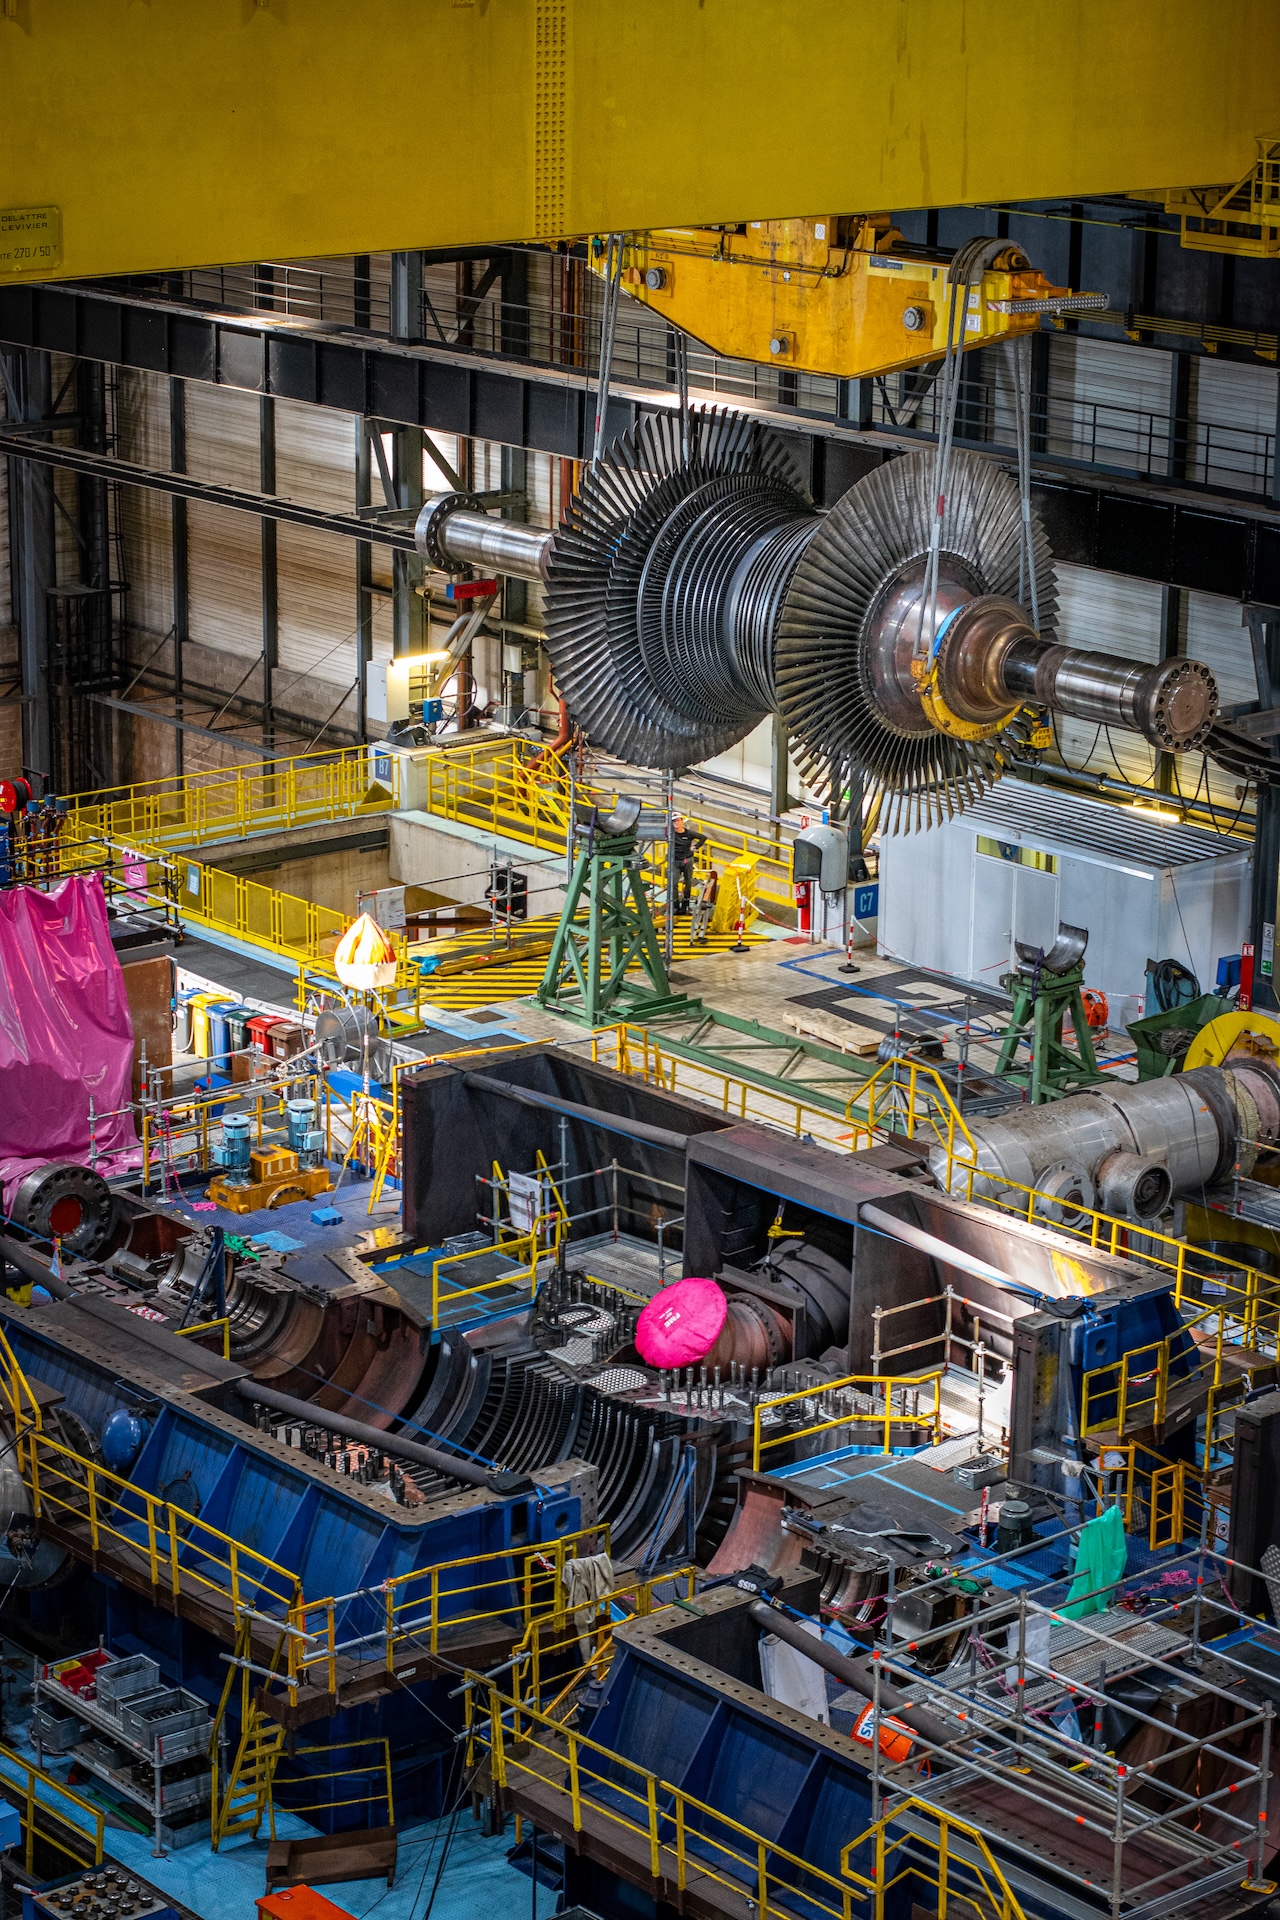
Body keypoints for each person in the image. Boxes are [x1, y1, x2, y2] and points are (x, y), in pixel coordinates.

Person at [671, 815, 707, 913]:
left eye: (678, 821)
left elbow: (703, 837)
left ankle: (685, 904)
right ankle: (675, 904)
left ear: (682, 821)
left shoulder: (689, 833)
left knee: (688, 882)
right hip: (675, 861)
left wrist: (695, 847)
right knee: (673, 883)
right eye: (674, 822)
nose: (676, 823)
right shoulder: (671, 833)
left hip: (687, 860)